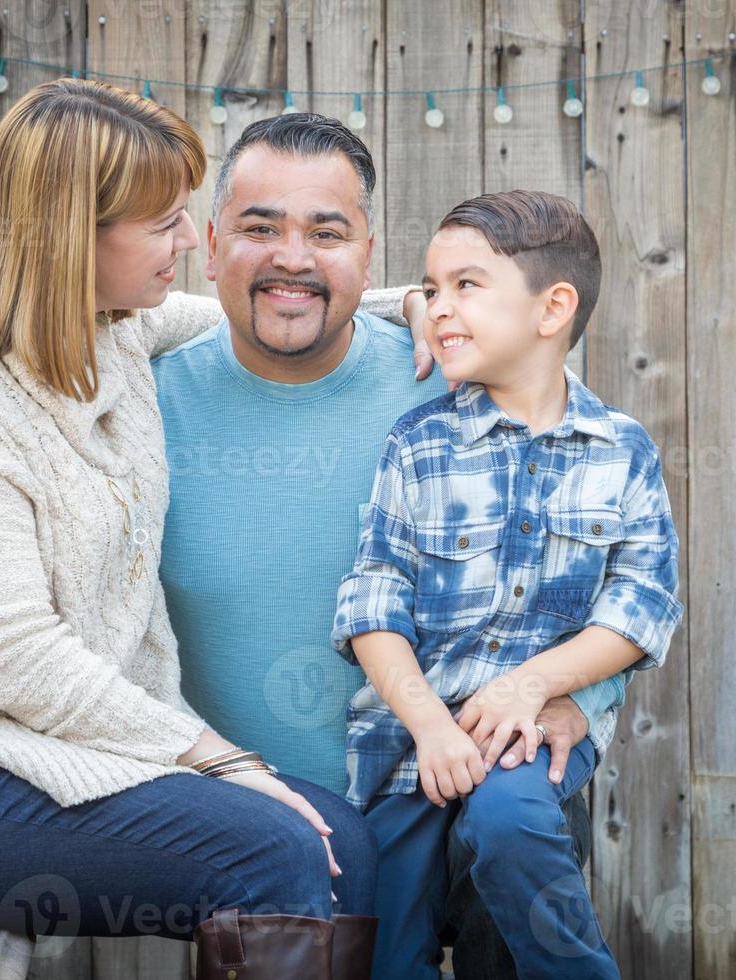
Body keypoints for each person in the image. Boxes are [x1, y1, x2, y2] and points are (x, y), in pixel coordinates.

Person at [0, 79, 382, 979]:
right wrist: (221, 761)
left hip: (25, 745)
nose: (191, 244)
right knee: (274, 848)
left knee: (346, 843)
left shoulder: (107, 318)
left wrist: (434, 306)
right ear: (72, 238)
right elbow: (9, 655)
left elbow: (259, 307)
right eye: (166, 224)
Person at [153, 115, 629, 976]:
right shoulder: (141, 413)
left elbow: (602, 571)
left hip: (487, 794)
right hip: (269, 856)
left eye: (326, 233)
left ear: (368, 255)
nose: (293, 258)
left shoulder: (465, 382)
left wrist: (575, 701)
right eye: (261, 228)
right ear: (211, 242)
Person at [331, 190, 685, 980]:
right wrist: (430, 727)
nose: (436, 308)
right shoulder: (418, 446)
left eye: (466, 285)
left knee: (512, 822)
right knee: (385, 946)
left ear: (552, 307)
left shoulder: (620, 451)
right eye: (431, 286)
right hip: (407, 749)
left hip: (536, 738)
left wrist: (531, 687)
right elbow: (372, 603)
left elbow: (640, 608)